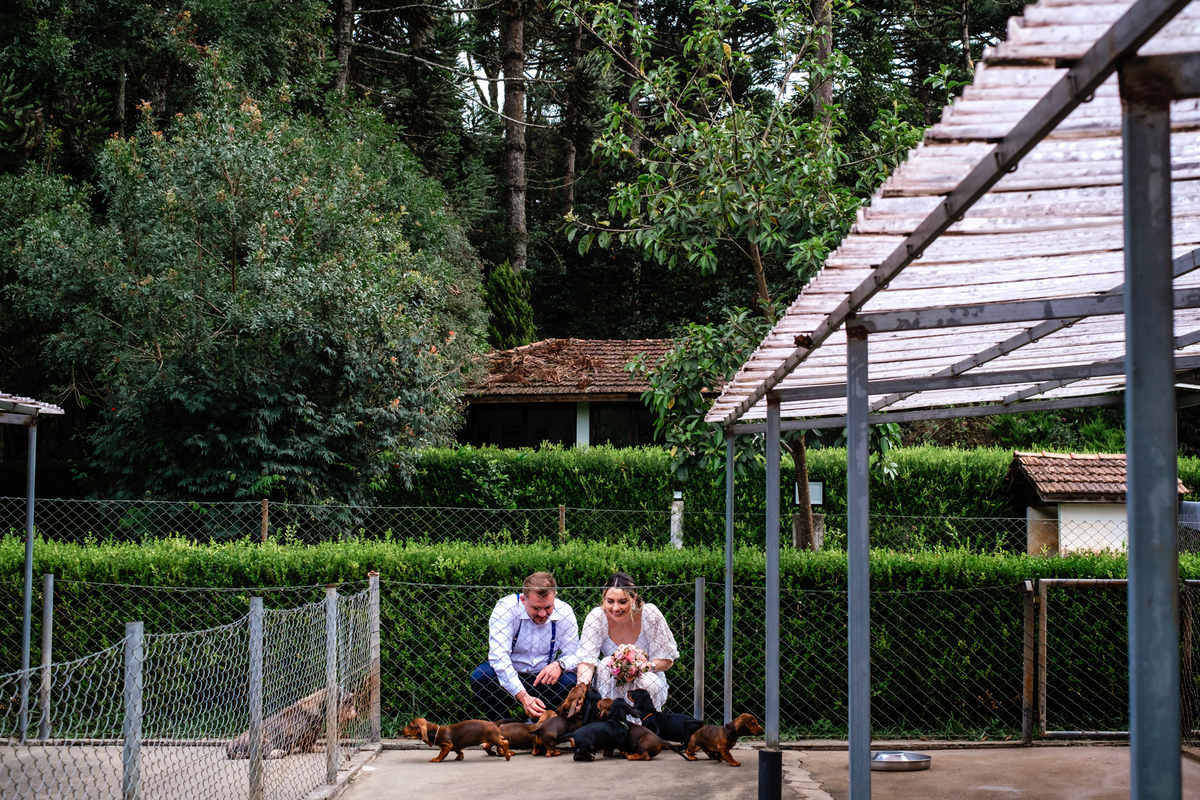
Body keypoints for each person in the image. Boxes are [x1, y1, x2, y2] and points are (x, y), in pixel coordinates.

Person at [471, 572, 580, 721]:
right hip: (509, 678)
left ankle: (538, 724)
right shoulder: (506, 609)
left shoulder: (565, 612)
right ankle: (503, 727)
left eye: (548, 607)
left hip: (544, 680)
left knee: (571, 681)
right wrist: (523, 697)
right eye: (535, 608)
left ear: (555, 595)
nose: (542, 614)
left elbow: (574, 654)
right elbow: (499, 657)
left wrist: (560, 664)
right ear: (523, 599)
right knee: (481, 676)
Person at [576, 572, 679, 711]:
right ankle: (609, 721)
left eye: (622, 602)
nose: (615, 608)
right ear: (604, 598)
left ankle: (647, 727)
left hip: (646, 680)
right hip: (612, 682)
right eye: (610, 601)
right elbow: (587, 659)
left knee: (649, 680)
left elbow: (667, 660)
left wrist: (645, 667)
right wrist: (583, 682)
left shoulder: (650, 614)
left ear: (633, 598)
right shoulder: (596, 617)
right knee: (605, 664)